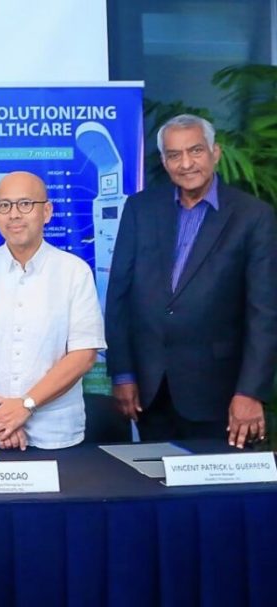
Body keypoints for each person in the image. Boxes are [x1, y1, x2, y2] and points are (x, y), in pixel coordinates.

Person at [105, 114, 277, 448]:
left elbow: (264, 313)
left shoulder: (253, 216)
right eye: (174, 155)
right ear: (164, 162)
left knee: (217, 496)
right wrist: (123, 373)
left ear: (216, 153)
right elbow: (119, 297)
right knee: (154, 486)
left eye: (195, 151)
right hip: (150, 392)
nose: (186, 163)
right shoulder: (141, 209)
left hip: (221, 395)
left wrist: (250, 391)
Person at [0, 171, 105, 450]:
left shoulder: (74, 272)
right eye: (4, 206)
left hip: (55, 432)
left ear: (46, 211)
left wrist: (25, 405)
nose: (14, 215)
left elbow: (84, 354)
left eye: (25, 204)